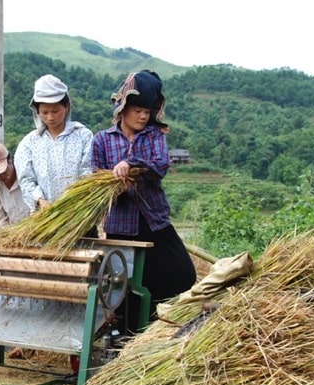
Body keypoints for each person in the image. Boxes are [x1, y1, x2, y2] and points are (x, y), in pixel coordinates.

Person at [91, 70, 196, 330]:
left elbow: (160, 165)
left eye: (147, 111)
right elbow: (97, 178)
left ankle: (158, 326)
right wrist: (116, 186)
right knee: (126, 288)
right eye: (137, 109)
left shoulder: (154, 136)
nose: (143, 116)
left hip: (154, 222)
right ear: (123, 108)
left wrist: (131, 164)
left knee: (183, 274)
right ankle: (129, 341)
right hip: (121, 228)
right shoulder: (102, 140)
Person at [14, 74, 93, 213]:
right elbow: (26, 179)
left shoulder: (83, 135)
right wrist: (40, 200)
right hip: (45, 217)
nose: (50, 117)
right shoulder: (29, 143)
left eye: (55, 111)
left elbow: (88, 170)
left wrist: (74, 197)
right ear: (36, 111)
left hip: (78, 213)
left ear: (66, 107)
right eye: (44, 112)